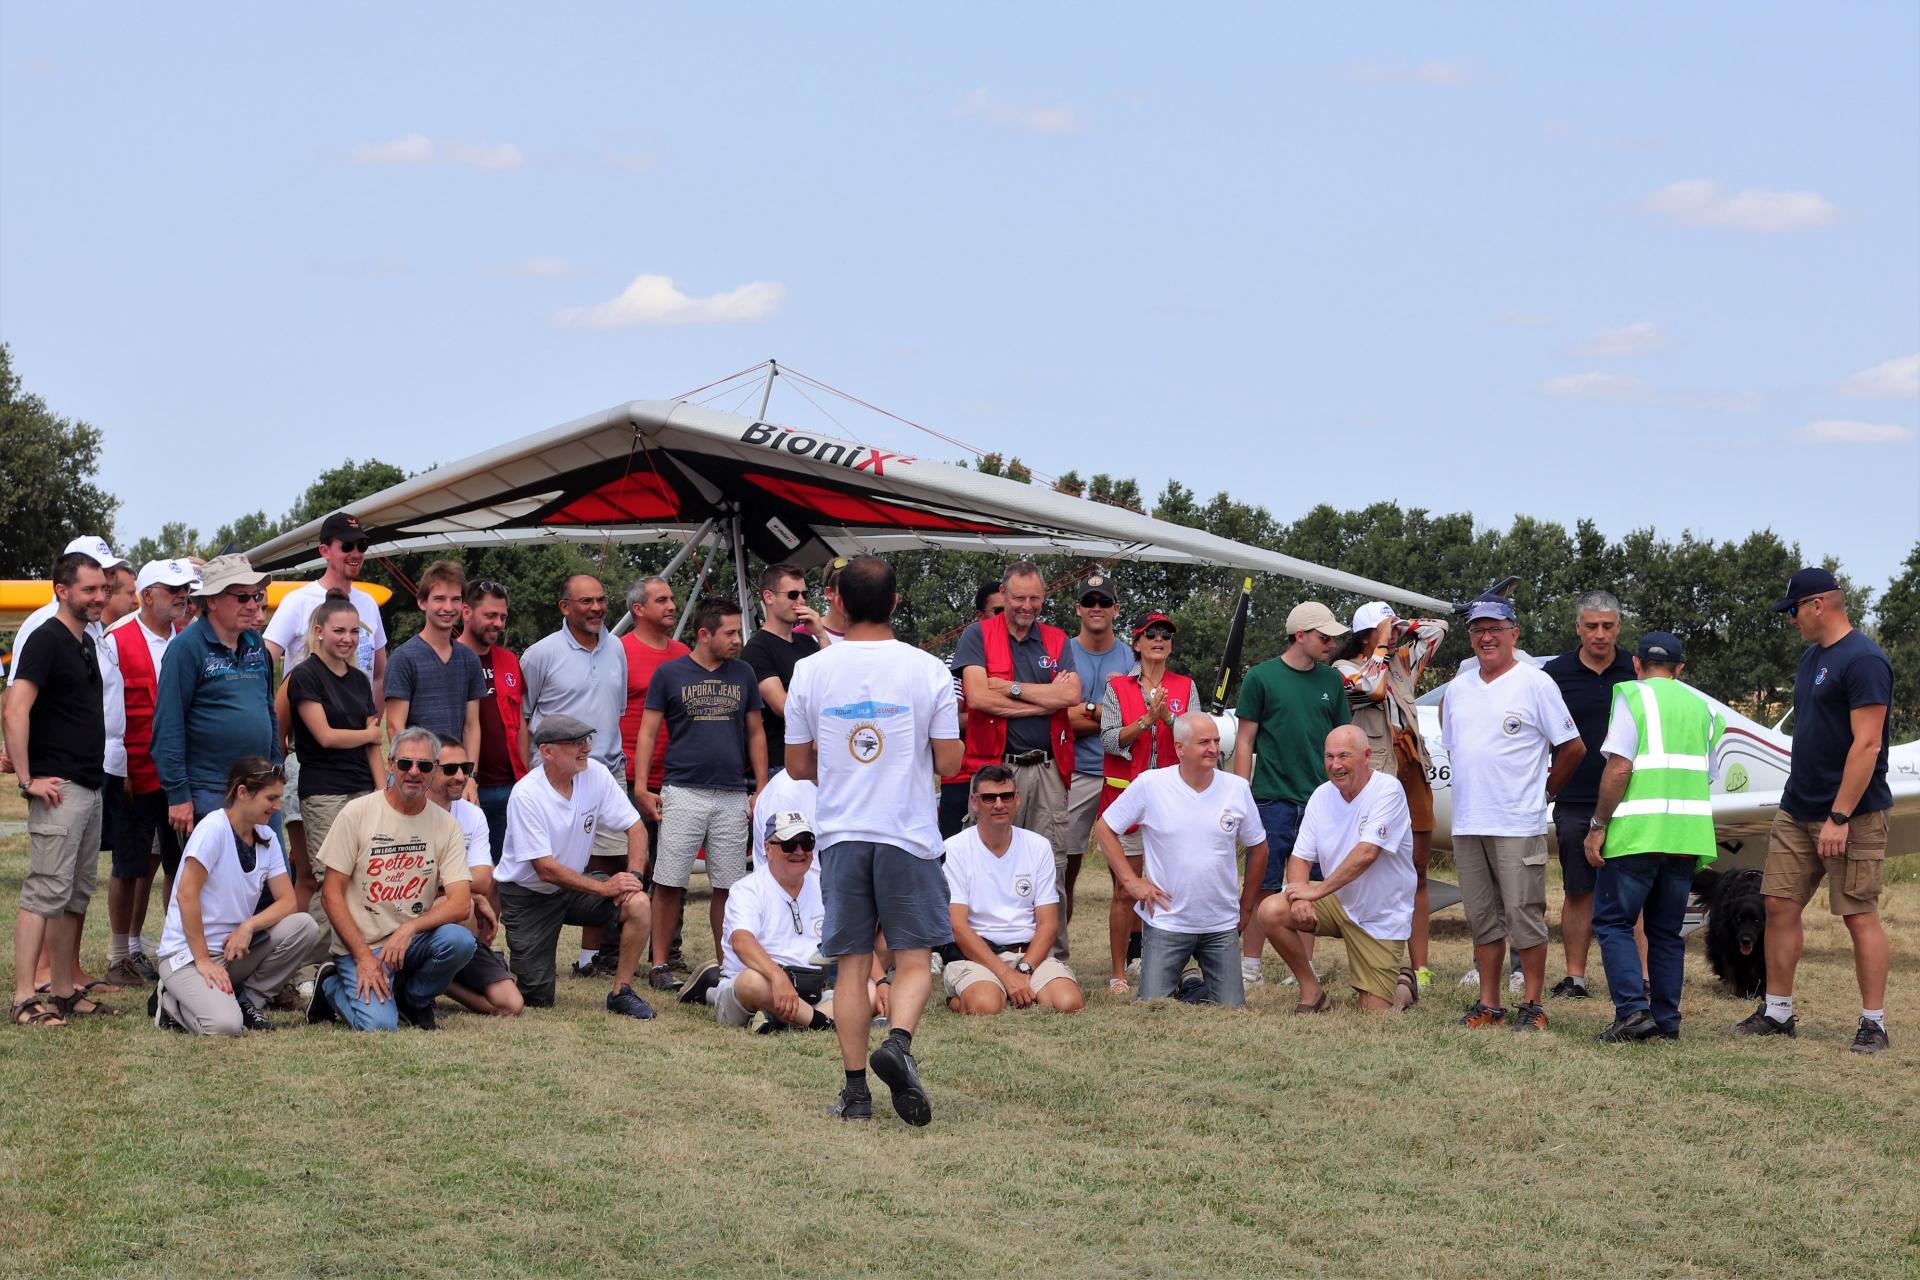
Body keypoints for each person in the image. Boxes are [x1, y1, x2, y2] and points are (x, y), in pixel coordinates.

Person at [785, 555, 962, 1125]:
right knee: (914, 958)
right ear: (894, 603)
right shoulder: (929, 669)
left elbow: (795, 764)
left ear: (835, 601)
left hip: (840, 833)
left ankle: (856, 1092)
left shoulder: (811, 671)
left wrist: (841, 765)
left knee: (852, 967)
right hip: (907, 832)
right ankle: (900, 1043)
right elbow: (952, 761)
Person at [1741, 568, 1895, 1053]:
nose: (1790, 620)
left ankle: (1874, 1024)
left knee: (1858, 914)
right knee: (1778, 905)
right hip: (1796, 806)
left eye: (1793, 610)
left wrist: (1840, 816)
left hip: (1852, 813)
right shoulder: (1812, 659)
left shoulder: (1865, 659)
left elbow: (1867, 746)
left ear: (1818, 605)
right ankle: (1778, 1012)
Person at [1441, 596, 1585, 1032]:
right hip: (1468, 822)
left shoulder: (1535, 683)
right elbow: (1456, 749)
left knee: (1525, 915)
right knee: (1482, 917)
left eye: (1495, 629)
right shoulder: (1459, 688)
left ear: (1513, 635)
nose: (1486, 638)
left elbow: (1572, 747)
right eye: (1478, 630)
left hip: (1516, 822)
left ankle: (1534, 1004)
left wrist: (1544, 792)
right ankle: (1489, 1003)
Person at [1583, 633, 1723, 1043]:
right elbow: (1707, 775)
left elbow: (1619, 768)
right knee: (1666, 932)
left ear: (1636, 664)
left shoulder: (1632, 696)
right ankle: (1666, 1021)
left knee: (1612, 922)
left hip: (1637, 835)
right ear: (1681, 669)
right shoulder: (1704, 710)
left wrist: (1597, 824)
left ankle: (1631, 1014)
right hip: (1685, 837)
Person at [6, 550, 117, 1027]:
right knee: (44, 892)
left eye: (103, 589)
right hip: (59, 788)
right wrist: (29, 780)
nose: (99, 597)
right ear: (62, 590)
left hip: (89, 788)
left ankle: (64, 993)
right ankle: (24, 998)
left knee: (75, 894)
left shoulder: (85, 642)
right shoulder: (46, 639)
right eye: (89, 589)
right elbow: (15, 708)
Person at [634, 596, 766, 991]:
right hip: (682, 788)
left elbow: (756, 732)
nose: (737, 640)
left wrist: (760, 788)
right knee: (669, 881)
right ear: (704, 634)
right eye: (729, 632)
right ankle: (659, 964)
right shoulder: (670, 674)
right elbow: (647, 731)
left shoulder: (743, 673)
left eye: (738, 631)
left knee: (727, 884)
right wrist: (642, 787)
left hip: (730, 793)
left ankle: (727, 963)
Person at [1095, 711, 1269, 1007]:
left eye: (1216, 740)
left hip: (1220, 924)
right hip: (1167, 922)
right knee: (1153, 1005)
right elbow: (1104, 827)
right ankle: (1188, 979)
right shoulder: (1151, 784)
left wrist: (1246, 906)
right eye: (1204, 742)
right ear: (1179, 748)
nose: (1214, 748)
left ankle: (1190, 982)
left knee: (1231, 1008)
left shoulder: (1236, 788)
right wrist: (1131, 882)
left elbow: (1259, 848)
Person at [307, 727, 475, 1031]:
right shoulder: (356, 813)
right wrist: (362, 956)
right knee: (380, 1027)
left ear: (435, 770)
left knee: (460, 941)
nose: (414, 772)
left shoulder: (447, 825)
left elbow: (461, 903)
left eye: (424, 766)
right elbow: (330, 894)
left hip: (411, 941)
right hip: (363, 944)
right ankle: (331, 986)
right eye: (404, 764)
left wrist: (409, 928)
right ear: (390, 763)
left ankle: (414, 999)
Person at [494, 715, 655, 1019]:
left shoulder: (596, 774)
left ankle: (622, 991)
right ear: (547, 751)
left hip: (573, 887)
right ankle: (495, 967)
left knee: (638, 903)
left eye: (587, 741)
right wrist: (606, 887)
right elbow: (545, 869)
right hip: (527, 895)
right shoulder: (527, 793)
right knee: (537, 997)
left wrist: (633, 877)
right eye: (576, 743)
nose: (586, 749)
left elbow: (635, 827)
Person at [151, 757, 320, 1035]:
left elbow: (288, 902)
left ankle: (248, 1001)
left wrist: (248, 926)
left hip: (232, 952)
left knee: (304, 926)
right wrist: (203, 960)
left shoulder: (266, 836)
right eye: (271, 798)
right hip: (188, 957)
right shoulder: (213, 828)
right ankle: (170, 1002)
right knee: (225, 1026)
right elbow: (186, 896)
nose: (277, 806)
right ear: (243, 793)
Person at [1257, 726, 1418, 1013]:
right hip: (1336, 902)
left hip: (1379, 914)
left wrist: (1315, 891)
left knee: (1375, 1014)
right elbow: (1300, 858)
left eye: (1344, 756)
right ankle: (1313, 993)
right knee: (1271, 910)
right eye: (1329, 757)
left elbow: (1367, 854)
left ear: (1367, 756)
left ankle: (1404, 987)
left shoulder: (1388, 790)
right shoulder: (1321, 795)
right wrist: (1302, 896)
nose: (1335, 765)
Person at [1233, 601, 1351, 987]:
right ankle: (1250, 964)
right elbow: (1245, 741)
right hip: (1270, 799)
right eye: (1324, 636)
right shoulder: (1261, 677)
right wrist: (1240, 796)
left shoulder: (1332, 681)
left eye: (1333, 637)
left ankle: (1302, 966)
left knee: (1311, 889)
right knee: (1263, 883)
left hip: (1321, 801)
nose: (1331, 643)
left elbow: (1341, 741)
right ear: (1300, 636)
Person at [1337, 602, 1449, 992]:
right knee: (1371, 868)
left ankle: (1420, 967)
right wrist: (1382, 647)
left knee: (1416, 870)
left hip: (1411, 766)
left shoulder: (1402, 661)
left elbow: (1438, 629)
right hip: (1375, 773)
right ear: (1366, 634)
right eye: (1386, 628)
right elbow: (1372, 688)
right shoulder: (1344, 671)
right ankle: (1370, 958)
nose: (1398, 634)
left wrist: (1402, 624)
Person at [522, 573, 630, 974]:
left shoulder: (616, 648)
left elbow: (614, 710)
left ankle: (593, 958)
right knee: (553, 868)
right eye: (586, 601)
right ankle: (561, 954)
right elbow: (527, 717)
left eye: (602, 600)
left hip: (606, 770)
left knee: (610, 862)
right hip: (556, 776)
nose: (597, 608)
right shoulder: (539, 654)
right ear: (565, 607)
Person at [100, 558, 195, 986]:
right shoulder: (116, 639)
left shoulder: (188, 638)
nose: (182, 595)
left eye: (185, 589)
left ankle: (174, 946)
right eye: (172, 588)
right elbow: (109, 714)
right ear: (147, 594)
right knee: (129, 863)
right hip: (133, 773)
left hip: (177, 774)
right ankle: (121, 952)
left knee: (181, 863)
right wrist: (118, 770)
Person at [1541, 589, 1638, 1000]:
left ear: (1618, 627)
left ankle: (1642, 979)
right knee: (1578, 890)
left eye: (1608, 626)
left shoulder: (1637, 670)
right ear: (1578, 628)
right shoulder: (1553, 674)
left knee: (1636, 893)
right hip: (1575, 798)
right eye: (1592, 626)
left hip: (1632, 799)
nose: (1600, 634)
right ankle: (1575, 978)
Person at [953, 561, 1081, 870]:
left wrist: (1011, 688)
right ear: (1003, 593)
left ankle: (1049, 921)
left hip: (1047, 769)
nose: (1027, 606)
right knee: (986, 861)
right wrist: (1043, 703)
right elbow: (980, 698)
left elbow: (1071, 695)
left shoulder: (1057, 639)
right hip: (996, 765)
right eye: (1019, 598)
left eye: (1034, 598)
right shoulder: (976, 635)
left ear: (1043, 596)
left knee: (1050, 864)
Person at [1098, 612, 1196, 993]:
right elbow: (1108, 740)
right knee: (1126, 889)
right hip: (1126, 800)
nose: (1159, 639)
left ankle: (1164, 964)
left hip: (1173, 803)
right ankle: (1118, 973)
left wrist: (1167, 720)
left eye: (1166, 634)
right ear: (1136, 644)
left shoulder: (1185, 686)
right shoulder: (1117, 687)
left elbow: (1194, 735)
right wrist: (1144, 720)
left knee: (1169, 885)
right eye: (1150, 634)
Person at [285, 594, 383, 962]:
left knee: (364, 879)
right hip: (324, 792)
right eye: (339, 630)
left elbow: (373, 744)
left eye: (354, 631)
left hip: (362, 789)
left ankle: (350, 960)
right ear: (318, 632)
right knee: (330, 881)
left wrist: (381, 789)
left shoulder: (359, 679)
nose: (347, 638)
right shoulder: (305, 675)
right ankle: (308, 970)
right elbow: (324, 736)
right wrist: (369, 735)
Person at [151, 555, 279, 835]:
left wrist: (276, 772)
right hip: (209, 792)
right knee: (213, 878)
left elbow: (268, 709)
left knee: (269, 876)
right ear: (211, 601)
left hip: (260, 787)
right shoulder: (185, 649)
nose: (253, 605)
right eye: (242, 597)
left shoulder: (256, 642)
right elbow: (167, 726)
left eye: (256, 596)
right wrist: (179, 795)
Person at [942, 766, 1084, 1015]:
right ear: (974, 802)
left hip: (1028, 955)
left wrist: (1025, 969)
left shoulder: (1038, 846)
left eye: (1006, 796)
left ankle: (1011, 989)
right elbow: (958, 928)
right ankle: (961, 999)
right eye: (989, 798)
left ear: (1017, 799)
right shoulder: (954, 849)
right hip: (978, 956)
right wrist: (1005, 974)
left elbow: (1049, 923)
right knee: (985, 1007)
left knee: (1069, 1002)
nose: (999, 804)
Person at [681, 809, 837, 1032]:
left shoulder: (824, 885)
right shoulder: (747, 889)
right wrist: (777, 977)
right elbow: (742, 942)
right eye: (789, 844)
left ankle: (782, 1020)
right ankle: (821, 1024)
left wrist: (879, 981)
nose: (800, 851)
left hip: (810, 989)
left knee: (866, 992)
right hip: (761, 983)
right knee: (752, 982)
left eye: (806, 842)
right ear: (767, 848)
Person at [1055, 572, 1133, 960]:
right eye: (1090, 602)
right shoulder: (1063, 651)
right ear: (1078, 609)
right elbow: (1058, 718)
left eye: (1104, 602)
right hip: (1076, 772)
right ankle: (1057, 953)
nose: (1097, 609)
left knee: (1131, 868)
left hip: (1121, 773)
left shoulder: (1130, 655)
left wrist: (1085, 710)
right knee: (1064, 866)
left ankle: (1134, 954)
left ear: (1116, 609)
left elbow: (1135, 716)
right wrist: (1105, 713)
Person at [617, 574, 691, 974]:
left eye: (672, 598)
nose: (671, 605)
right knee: (628, 866)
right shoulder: (619, 651)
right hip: (628, 775)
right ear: (638, 610)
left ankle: (668, 952)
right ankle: (614, 950)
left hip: (676, 775)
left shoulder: (684, 654)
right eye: (661, 599)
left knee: (672, 867)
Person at [425, 737, 523, 1018]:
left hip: (453, 914)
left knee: (511, 1005)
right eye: (450, 769)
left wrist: (448, 888)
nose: (460, 777)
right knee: (465, 905)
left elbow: (484, 878)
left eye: (466, 768)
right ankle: (423, 989)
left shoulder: (472, 814)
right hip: (420, 917)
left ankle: (441, 983)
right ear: (429, 769)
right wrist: (463, 891)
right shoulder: (410, 811)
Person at [260, 510, 389, 692]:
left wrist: (373, 716)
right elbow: (260, 667)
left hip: (360, 718)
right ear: (324, 551)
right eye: (347, 546)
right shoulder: (297, 601)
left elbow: (379, 675)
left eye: (362, 546)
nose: (356, 553)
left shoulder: (369, 603)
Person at [383, 559, 484, 760]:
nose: (448, 607)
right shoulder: (404, 658)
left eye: (455, 599)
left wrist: (470, 775)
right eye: (439, 599)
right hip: (418, 773)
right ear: (422, 602)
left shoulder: (469, 659)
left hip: (455, 774)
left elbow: (471, 727)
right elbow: (395, 727)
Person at [458, 578, 527, 862]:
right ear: (466, 612)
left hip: (509, 786)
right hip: (464, 788)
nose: (498, 623)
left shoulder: (509, 660)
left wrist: (525, 778)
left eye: (502, 617)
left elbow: (520, 722)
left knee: (505, 869)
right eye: (490, 615)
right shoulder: (450, 657)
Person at [937, 582, 1006, 838]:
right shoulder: (954, 661)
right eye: (997, 611)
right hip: (963, 778)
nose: (1005, 618)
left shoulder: (1024, 656)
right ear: (979, 617)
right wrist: (1005, 707)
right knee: (955, 862)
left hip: (1007, 775)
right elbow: (949, 720)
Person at [743, 561, 827, 750]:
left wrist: (821, 635)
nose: (801, 601)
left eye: (804, 594)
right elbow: (782, 706)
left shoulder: (808, 641)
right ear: (769, 597)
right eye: (792, 594)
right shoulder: (757, 648)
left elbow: (838, 680)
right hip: (783, 759)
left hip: (818, 755)